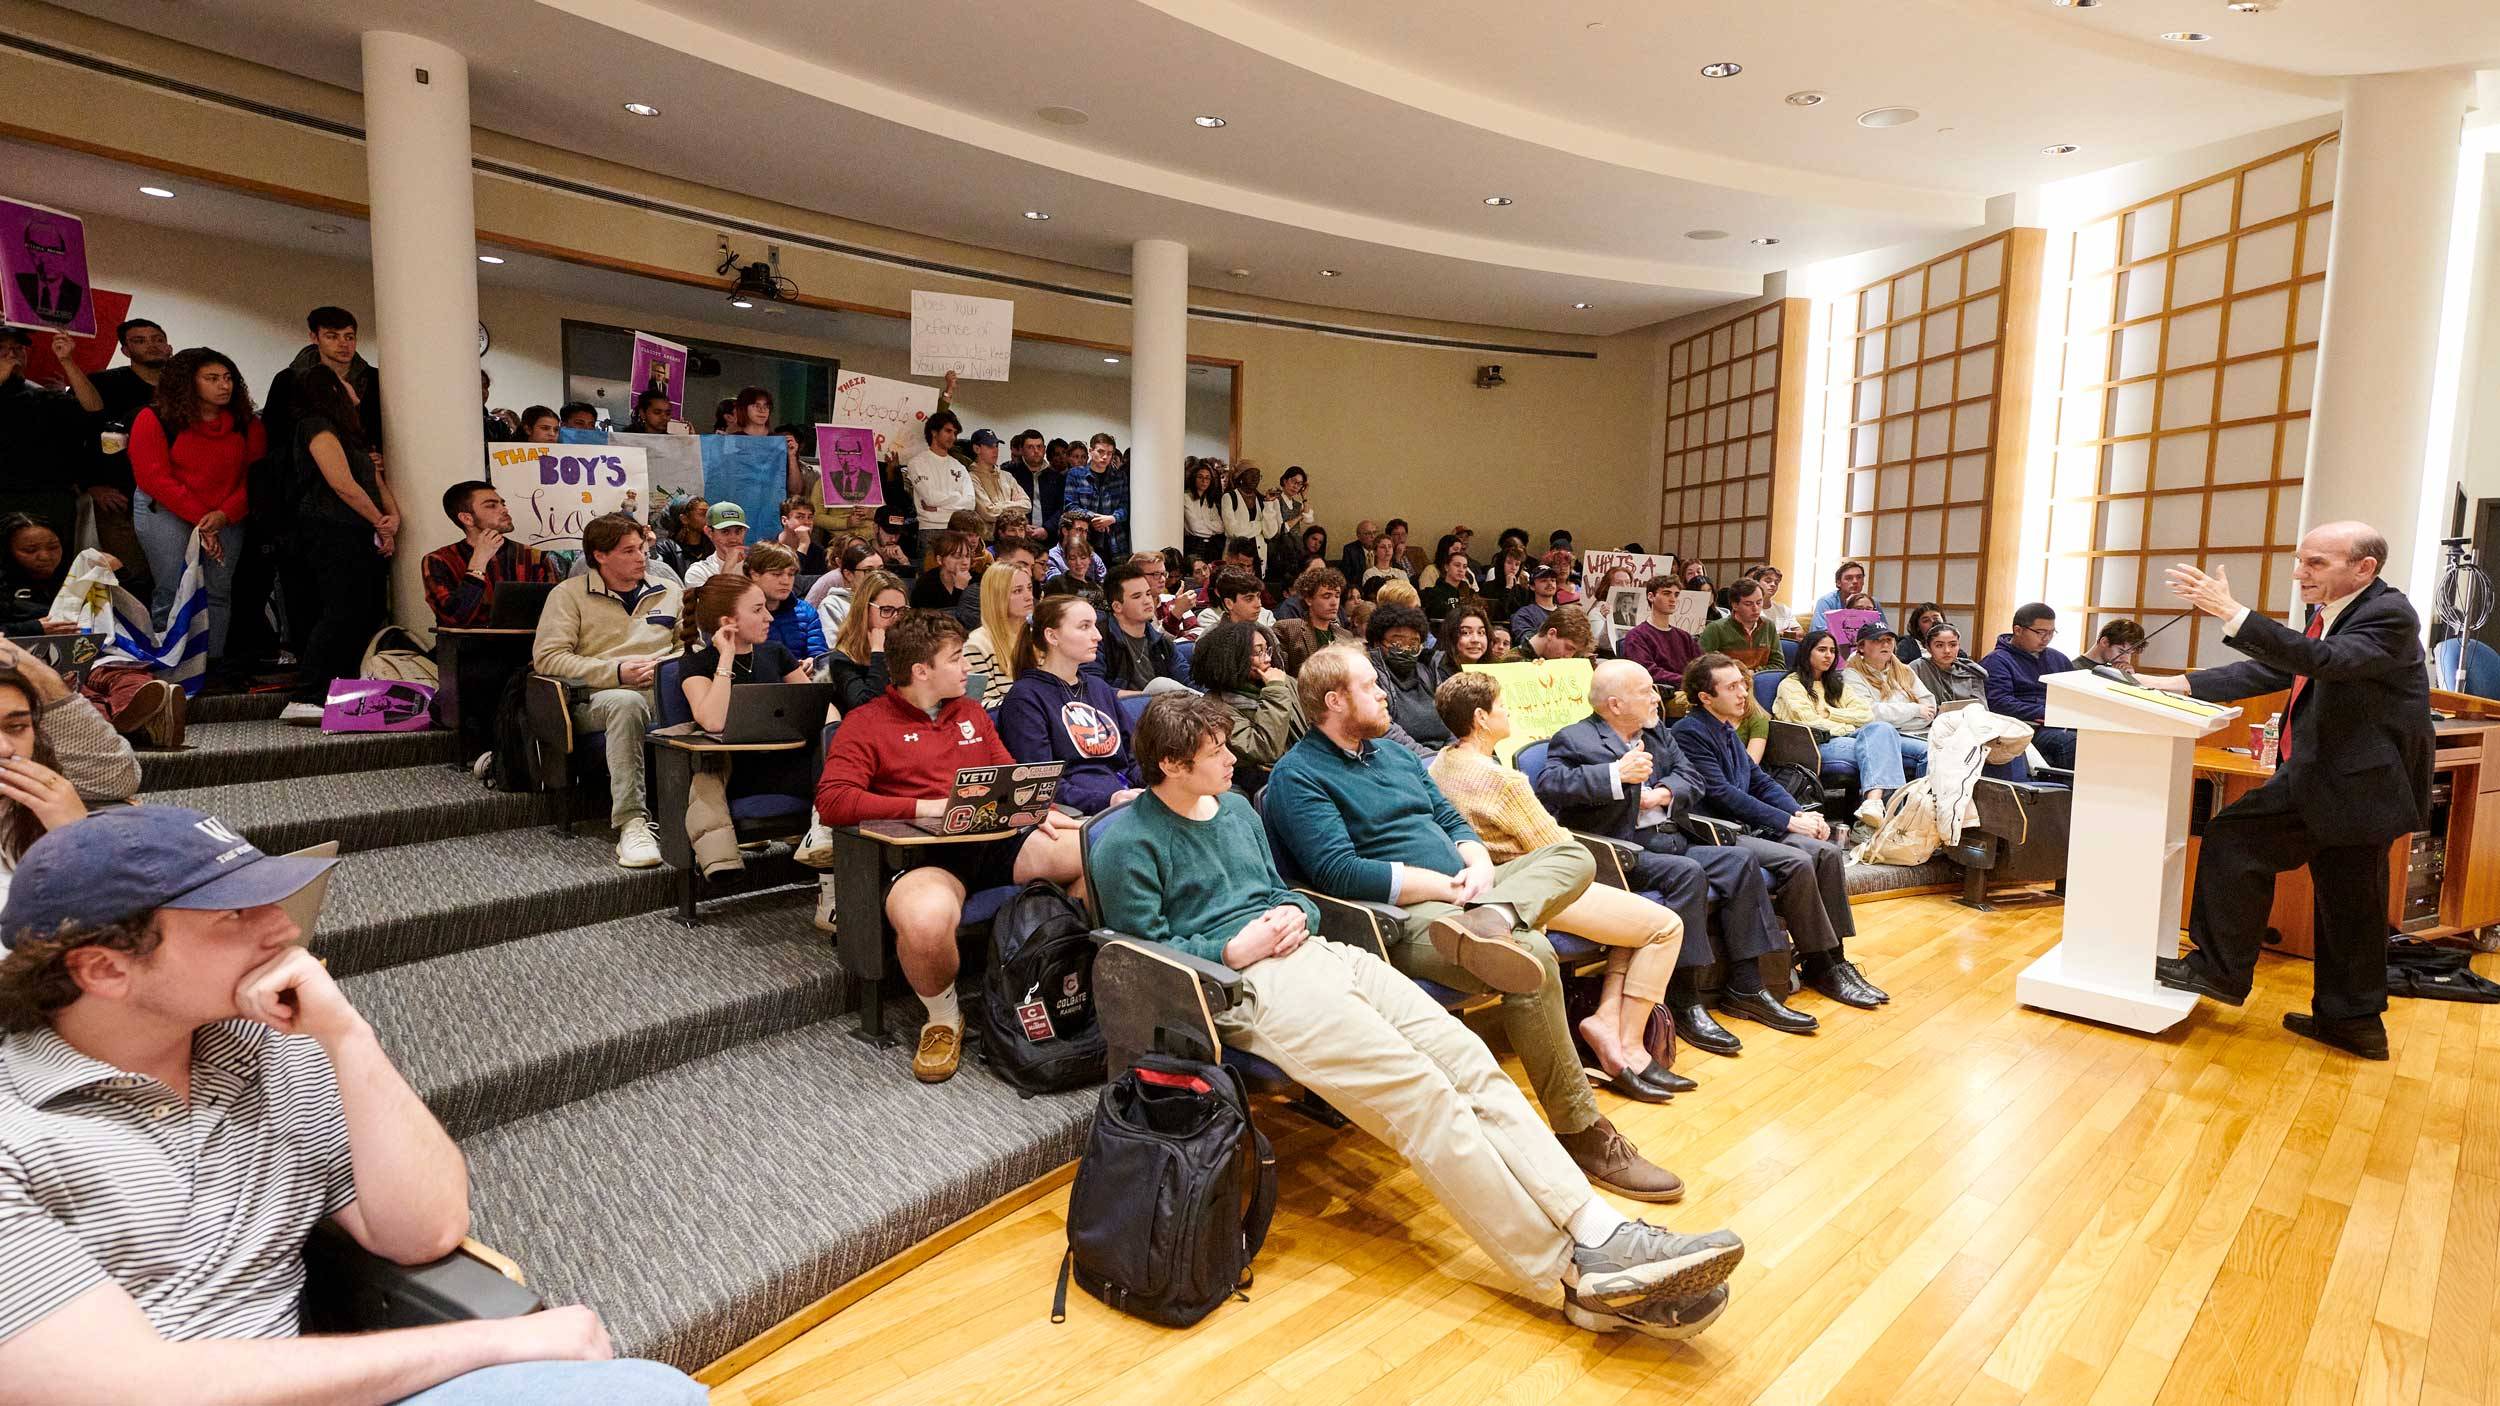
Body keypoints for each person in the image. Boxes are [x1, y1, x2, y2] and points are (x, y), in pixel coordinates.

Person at [0, 806, 708, 1406]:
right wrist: (497, 1342)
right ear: (105, 969)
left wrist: (349, 1036)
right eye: (235, 914)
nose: (282, 928)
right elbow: (132, 1390)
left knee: (645, 1393)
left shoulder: (267, 1045)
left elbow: (422, 1233)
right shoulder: (15, 1129)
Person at [1096, 694, 1743, 1340]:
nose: (1233, 759)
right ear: (1173, 764)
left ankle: (1600, 1229)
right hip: (1244, 986)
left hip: (1316, 953)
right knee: (1425, 1098)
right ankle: (1570, 1271)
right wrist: (1231, 950)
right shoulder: (1128, 840)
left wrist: (1300, 916)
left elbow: (1281, 892)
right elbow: (1141, 949)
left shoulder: (1235, 808)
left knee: (1470, 1063)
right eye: (1216, 753)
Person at [1264, 645, 1684, 1201]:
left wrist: (1478, 860)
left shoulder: (1390, 755)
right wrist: (1445, 886)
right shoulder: (1299, 775)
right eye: (1370, 686)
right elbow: (1338, 872)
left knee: (1575, 858)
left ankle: (1500, 917)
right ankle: (1582, 1131)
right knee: (1530, 955)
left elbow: (1447, 817)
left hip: (1476, 897)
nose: (1385, 691)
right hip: (1409, 917)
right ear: (1334, 700)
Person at [2143, 523, 2432, 1060]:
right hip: (2355, 785)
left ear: (2364, 568)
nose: (2300, 573)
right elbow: (2279, 668)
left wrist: (2232, 612)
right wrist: (2176, 685)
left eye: (2316, 563)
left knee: (2232, 837)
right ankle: (2354, 1023)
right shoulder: (2338, 613)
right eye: (2301, 560)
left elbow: (2323, 662)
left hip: (2347, 781)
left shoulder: (2388, 614)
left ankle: (2218, 970)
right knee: (2352, 902)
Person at [814, 611, 1085, 1082]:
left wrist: (1036, 807)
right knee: (925, 919)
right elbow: (833, 801)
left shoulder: (970, 711)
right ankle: (943, 1017)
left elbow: (1006, 771)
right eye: (957, 659)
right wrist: (923, 807)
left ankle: (1057, 971)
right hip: (927, 858)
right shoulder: (865, 723)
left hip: (996, 841)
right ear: (921, 671)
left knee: (1094, 850)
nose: (968, 669)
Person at [1429, 673, 1689, 1099]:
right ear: (1480, 718)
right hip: (1537, 888)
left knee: (1631, 920)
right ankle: (1628, 1048)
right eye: (1501, 705)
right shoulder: (1504, 781)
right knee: (1665, 927)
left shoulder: (1442, 762)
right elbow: (1559, 852)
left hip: (1498, 886)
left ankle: (1607, 1025)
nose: (1508, 711)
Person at [1539, 661, 1819, 1056]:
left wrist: (1664, 793)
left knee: (1739, 861)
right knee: (1687, 873)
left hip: (1672, 837)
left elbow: (1692, 776)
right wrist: (1615, 775)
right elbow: (1550, 785)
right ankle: (1686, 999)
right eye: (1646, 691)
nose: (1657, 697)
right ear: (1615, 704)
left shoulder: (1657, 733)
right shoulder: (1575, 739)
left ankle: (1747, 983)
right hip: (1621, 850)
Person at [1674, 652, 1886, 1001]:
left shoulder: (1725, 728)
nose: (1743, 693)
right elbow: (1723, 794)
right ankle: (1819, 961)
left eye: (1742, 684)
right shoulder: (1690, 733)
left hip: (1747, 826)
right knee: (1797, 862)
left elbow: (1759, 780)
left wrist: (1800, 813)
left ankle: (1836, 958)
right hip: (1718, 832)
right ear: (1706, 698)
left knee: (1828, 853)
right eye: (1731, 687)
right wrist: (1788, 822)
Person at [531, 514, 680, 869]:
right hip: (594, 698)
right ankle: (633, 823)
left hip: (661, 688)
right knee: (625, 703)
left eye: (642, 548)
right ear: (600, 555)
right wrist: (615, 672)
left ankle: (724, 816)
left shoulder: (670, 591)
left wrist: (663, 666)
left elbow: (691, 646)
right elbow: (548, 659)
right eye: (629, 551)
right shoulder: (568, 595)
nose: (641, 557)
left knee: (716, 694)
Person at [121, 346, 262, 658]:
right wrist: (204, 519)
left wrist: (224, 516)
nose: (224, 385)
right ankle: (168, 662)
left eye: (228, 378)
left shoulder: (246, 422)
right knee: (172, 588)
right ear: (188, 383)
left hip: (225, 514)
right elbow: (154, 477)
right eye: (212, 378)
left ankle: (212, 663)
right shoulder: (155, 417)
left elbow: (255, 477)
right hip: (166, 509)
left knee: (218, 591)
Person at [671, 573, 814, 878]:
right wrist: (726, 658)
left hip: (785, 765)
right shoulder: (696, 664)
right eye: (757, 610)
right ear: (728, 621)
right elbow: (712, 720)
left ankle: (827, 848)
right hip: (736, 773)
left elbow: (815, 704)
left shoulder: (776, 653)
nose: (769, 617)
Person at [280, 354, 398, 717]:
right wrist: (380, 521)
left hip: (359, 528)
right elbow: (342, 485)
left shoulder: (352, 434)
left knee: (368, 609)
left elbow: (374, 481)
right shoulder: (317, 425)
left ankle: (343, 687)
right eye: (345, 383)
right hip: (331, 529)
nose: (354, 387)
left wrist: (392, 517)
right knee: (340, 610)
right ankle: (307, 693)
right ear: (331, 390)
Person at [0, 637, 143, 900]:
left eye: (16, 726)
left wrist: (79, 838)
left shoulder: (25, 807)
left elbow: (115, 778)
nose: (5, 748)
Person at [57, 319, 170, 598]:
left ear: (169, 346)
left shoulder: (182, 387)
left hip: (171, 495)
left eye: (157, 338)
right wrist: (90, 485)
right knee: (133, 575)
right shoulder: (106, 382)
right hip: (119, 495)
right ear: (125, 349)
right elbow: (79, 434)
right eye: (140, 340)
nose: (151, 345)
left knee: (173, 575)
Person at [998, 595, 1139, 813]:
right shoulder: (1025, 698)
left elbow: (1133, 759)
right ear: (1052, 636)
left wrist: (1162, 784)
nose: (1098, 636)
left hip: (1125, 799)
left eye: (1095, 625)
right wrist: (1108, 800)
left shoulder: (1098, 687)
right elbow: (1041, 783)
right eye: (1084, 627)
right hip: (1079, 812)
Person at [1775, 629, 1916, 825]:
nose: (1828, 655)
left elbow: (1865, 713)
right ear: (1807, 652)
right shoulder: (1792, 685)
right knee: (1883, 750)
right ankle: (1891, 821)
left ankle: (1874, 805)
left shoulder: (1835, 683)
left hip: (1848, 737)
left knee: (1883, 729)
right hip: (1816, 743)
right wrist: (1848, 727)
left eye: (1832, 651)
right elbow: (1810, 721)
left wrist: (1830, 713)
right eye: (1821, 650)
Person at [420, 480, 556, 631]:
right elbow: (453, 619)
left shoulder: (534, 557)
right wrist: (479, 561)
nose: (504, 509)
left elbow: (555, 615)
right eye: (491, 505)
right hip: (463, 651)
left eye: (502, 504)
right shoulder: (439, 560)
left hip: (526, 648)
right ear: (467, 518)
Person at [1189, 619, 1299, 792]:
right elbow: (1264, 749)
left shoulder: (1280, 681)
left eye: (1267, 649)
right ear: (1233, 659)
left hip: (1302, 767)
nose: (1268, 658)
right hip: (1270, 783)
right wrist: (1276, 691)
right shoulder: (1214, 708)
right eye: (1257, 652)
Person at [1983, 602, 2078, 769]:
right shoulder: (1997, 660)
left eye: (2051, 633)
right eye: (2041, 632)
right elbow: (2000, 703)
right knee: (2070, 742)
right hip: (2024, 727)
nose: (2046, 638)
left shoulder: (2058, 658)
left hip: (2061, 720)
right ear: (2018, 630)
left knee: (2098, 738)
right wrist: (2046, 712)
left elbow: (2073, 694)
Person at [822, 570, 908, 714]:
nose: (896, 618)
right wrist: (878, 653)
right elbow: (867, 708)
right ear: (864, 610)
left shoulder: (910, 649)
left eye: (901, 611)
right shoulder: (842, 659)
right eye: (887, 610)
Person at [1093, 560, 1181, 695]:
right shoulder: (1097, 639)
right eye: (1137, 596)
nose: (1147, 600)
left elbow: (1187, 678)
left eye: (1148, 593)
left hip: (1162, 709)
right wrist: (1148, 697)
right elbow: (1093, 690)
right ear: (1117, 606)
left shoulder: (1161, 642)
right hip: (1119, 711)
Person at [1366, 603, 1447, 750]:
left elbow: (1452, 716)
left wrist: (1455, 750)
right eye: (1397, 642)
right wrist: (1430, 758)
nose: (1405, 649)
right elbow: (1383, 729)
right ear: (1377, 642)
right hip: (1404, 759)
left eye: (1413, 643)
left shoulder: (1428, 669)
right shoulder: (1369, 674)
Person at [1844, 627, 1939, 745]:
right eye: (1877, 640)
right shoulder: (1852, 675)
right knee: (1929, 752)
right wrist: (1915, 710)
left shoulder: (1905, 670)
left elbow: (1929, 708)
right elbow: (1868, 713)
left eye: (1889, 640)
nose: (1885, 644)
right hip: (1878, 737)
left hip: (1916, 732)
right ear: (1861, 647)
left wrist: (1894, 719)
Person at [962, 561, 1032, 708]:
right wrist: (1033, 706)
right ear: (997, 596)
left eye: (1029, 588)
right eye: (1018, 591)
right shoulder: (976, 645)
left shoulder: (1038, 637)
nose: (1029, 597)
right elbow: (980, 705)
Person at [743, 540, 824, 662]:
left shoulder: (806, 611)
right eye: (776, 574)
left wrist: (813, 662)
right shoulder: (740, 613)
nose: (786, 581)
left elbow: (821, 656)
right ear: (754, 574)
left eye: (791, 574)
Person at [1619, 577, 1701, 689]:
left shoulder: (1684, 636)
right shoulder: (1636, 636)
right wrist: (1688, 681)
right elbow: (1647, 672)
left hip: (1692, 689)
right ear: (1651, 596)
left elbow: (1701, 666)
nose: (1673, 599)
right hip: (1662, 695)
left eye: (1676, 595)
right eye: (1666, 593)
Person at [1061, 433, 1128, 558]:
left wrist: (1111, 519)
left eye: (1109, 453)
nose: (1105, 457)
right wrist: (1094, 518)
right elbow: (1070, 506)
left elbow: (1125, 506)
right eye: (1101, 452)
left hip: (1114, 538)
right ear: (1091, 451)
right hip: (1085, 536)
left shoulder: (1119, 476)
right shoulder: (1076, 474)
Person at [961, 429, 1031, 536]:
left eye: (996, 446)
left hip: (1012, 536)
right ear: (976, 449)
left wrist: (999, 505)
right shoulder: (971, 478)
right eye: (990, 447)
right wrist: (1015, 506)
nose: (995, 450)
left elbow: (1027, 504)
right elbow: (988, 512)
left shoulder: (1006, 476)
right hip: (988, 538)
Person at [1696, 578, 1779, 664]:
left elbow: (1778, 664)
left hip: (1760, 677)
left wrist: (1754, 673)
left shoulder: (1769, 626)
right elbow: (1701, 666)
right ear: (1735, 605)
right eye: (1748, 604)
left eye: (1759, 602)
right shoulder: (1715, 629)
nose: (1755, 608)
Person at [1219, 463, 1280, 576]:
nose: (1255, 478)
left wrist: (1268, 504)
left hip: (1258, 555)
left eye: (1258, 475)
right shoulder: (1229, 497)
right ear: (1241, 477)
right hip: (1237, 555)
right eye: (1251, 474)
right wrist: (1260, 525)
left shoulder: (1262, 499)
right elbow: (1234, 531)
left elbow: (1270, 533)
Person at [1910, 622, 1990, 706]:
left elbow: (1980, 707)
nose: (1947, 651)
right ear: (1928, 648)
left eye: (1953, 645)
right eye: (1939, 645)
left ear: (1959, 646)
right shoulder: (1917, 668)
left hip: (1966, 718)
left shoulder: (1970, 670)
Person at [680, 502, 750, 589]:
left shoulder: (757, 567)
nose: (733, 539)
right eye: (725, 532)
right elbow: (713, 602)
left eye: (738, 532)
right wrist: (728, 568)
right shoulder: (699, 572)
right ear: (709, 532)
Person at [1810, 561, 1879, 633]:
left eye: (1859, 577)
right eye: (1849, 578)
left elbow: (1883, 629)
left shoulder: (1872, 602)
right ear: (1838, 582)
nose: (1855, 581)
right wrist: (1848, 609)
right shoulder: (1826, 601)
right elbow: (1821, 633)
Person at [1418, 541, 1474, 623]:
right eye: (1457, 565)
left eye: (1464, 567)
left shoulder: (1466, 590)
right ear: (1447, 567)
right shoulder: (1434, 593)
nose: (1461, 570)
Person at [1181, 459, 1225, 563]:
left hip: (1210, 547)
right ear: (1193, 478)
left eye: (1207, 478)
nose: (1204, 481)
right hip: (1193, 546)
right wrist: (1211, 529)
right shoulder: (1186, 498)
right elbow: (1195, 528)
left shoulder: (1209, 501)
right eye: (1200, 477)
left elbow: (1221, 527)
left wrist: (1204, 523)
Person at [1045, 510, 1106, 584]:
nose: (1083, 535)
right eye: (1079, 530)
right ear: (1065, 531)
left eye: (1085, 531)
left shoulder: (1093, 556)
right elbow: (1057, 586)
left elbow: (1105, 584)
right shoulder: (1051, 557)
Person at [1517, 604, 1594, 663]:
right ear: (1551, 633)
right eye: (1569, 648)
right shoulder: (1510, 663)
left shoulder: (1556, 664)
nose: (1569, 656)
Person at [1508, 565, 1562, 643]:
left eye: (1553, 580)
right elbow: (1528, 643)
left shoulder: (1566, 612)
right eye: (1544, 580)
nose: (1550, 583)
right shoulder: (1524, 614)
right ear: (1532, 586)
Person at [1437, 601, 1495, 674]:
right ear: (1450, 636)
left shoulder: (1494, 672)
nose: (1475, 640)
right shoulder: (1436, 675)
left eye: (1481, 632)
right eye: (1466, 633)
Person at [775, 497, 827, 575]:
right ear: (784, 520)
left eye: (810, 517)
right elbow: (789, 579)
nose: (807, 522)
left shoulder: (818, 552)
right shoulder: (769, 548)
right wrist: (803, 545)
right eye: (800, 517)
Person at [2080, 618, 2149, 670]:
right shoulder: (2074, 670)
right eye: (2121, 651)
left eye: (2129, 653)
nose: (2125, 659)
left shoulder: (2117, 669)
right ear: (2104, 642)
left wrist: (2129, 678)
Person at [1359, 534, 1410, 599]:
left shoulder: (1401, 573)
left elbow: (1409, 595)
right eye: (1383, 547)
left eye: (1390, 546)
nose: (1387, 550)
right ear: (1375, 552)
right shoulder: (1370, 573)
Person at [1339, 519, 1380, 583]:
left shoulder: (1382, 548)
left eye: (1374, 532)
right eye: (1368, 533)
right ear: (1359, 536)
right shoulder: (1350, 550)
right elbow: (1348, 577)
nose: (1373, 536)